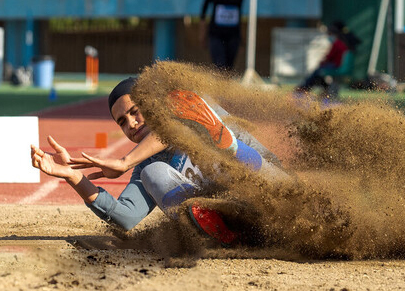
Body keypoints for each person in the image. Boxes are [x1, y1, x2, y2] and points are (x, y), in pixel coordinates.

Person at [30, 78, 287, 245]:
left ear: (153, 105)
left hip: (277, 191)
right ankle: (209, 228)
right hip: (241, 223)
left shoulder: (191, 109)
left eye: (135, 112)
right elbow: (126, 217)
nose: (130, 124)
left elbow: (170, 128)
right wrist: (73, 177)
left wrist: (124, 162)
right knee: (153, 173)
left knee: (210, 145)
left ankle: (230, 148)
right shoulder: (145, 163)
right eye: (122, 122)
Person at [200, 0, 245, 71]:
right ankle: (216, 88)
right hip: (216, 34)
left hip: (233, 36)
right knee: (220, 65)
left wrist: (241, 38)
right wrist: (202, 33)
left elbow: (239, 15)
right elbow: (203, 11)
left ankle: (225, 88)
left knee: (229, 68)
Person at [295, 21, 359, 98]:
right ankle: (319, 90)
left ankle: (304, 88)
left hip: (336, 66)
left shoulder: (337, 43)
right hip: (337, 65)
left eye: (329, 34)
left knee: (318, 71)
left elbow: (329, 57)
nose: (328, 36)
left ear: (333, 34)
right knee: (319, 72)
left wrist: (322, 63)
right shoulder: (342, 43)